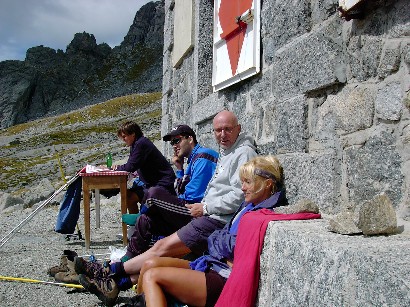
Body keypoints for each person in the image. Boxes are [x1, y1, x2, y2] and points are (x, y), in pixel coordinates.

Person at [76, 110, 258, 306]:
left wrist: (204, 207)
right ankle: (115, 280)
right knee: (149, 222)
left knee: (153, 198)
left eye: (228, 129)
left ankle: (109, 271)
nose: (222, 134)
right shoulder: (213, 155)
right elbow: (181, 188)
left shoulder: (220, 155)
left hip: (210, 218)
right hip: (204, 214)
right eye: (218, 130)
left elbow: (232, 195)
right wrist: (179, 169)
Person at [107, 155, 288, 307]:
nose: (242, 188)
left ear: (268, 184)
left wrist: (220, 240)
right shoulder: (247, 206)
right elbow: (219, 240)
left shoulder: (261, 214)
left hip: (222, 278)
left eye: (248, 182)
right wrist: (220, 240)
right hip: (213, 265)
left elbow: (231, 246)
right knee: (149, 265)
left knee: (154, 276)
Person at [112, 121, 176, 214]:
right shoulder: (136, 144)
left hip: (161, 183)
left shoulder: (141, 144)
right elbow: (131, 164)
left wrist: (114, 169)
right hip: (150, 183)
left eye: (124, 136)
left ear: (133, 134)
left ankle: (141, 223)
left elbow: (130, 167)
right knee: (128, 197)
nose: (123, 139)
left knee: (137, 202)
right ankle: (136, 225)